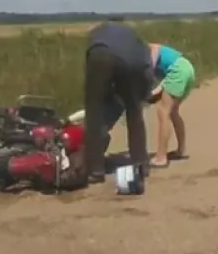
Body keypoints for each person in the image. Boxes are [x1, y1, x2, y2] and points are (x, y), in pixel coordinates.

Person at [73, 20, 156, 187]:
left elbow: (94, 67)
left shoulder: (98, 32)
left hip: (99, 54)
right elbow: (145, 74)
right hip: (132, 63)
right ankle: (141, 164)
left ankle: (95, 170)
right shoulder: (137, 42)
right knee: (134, 113)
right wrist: (142, 95)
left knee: (93, 112)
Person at [147, 43, 197, 167]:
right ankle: (181, 150)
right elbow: (165, 79)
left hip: (178, 70)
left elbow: (155, 47)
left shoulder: (145, 49)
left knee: (163, 112)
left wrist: (149, 70)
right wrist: (154, 92)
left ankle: (161, 157)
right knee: (173, 112)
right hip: (187, 69)